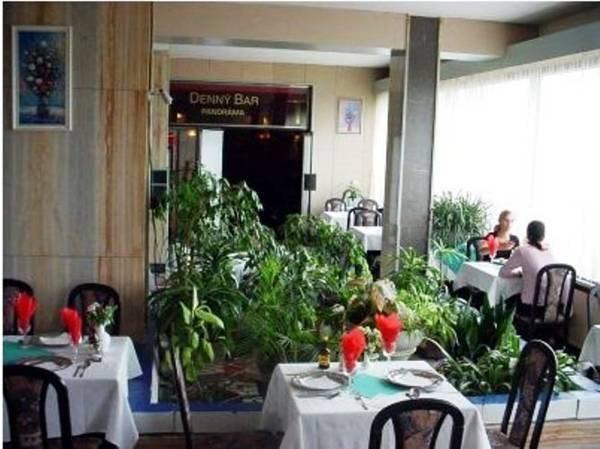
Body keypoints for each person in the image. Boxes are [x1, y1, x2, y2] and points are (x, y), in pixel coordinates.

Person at [499, 220, 556, 315]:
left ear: (528, 235)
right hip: (550, 307)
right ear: (543, 236)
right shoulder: (549, 251)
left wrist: (519, 273)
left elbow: (503, 272)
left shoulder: (523, 250)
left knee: (504, 300)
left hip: (531, 309)